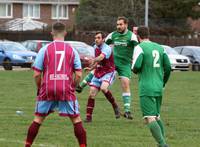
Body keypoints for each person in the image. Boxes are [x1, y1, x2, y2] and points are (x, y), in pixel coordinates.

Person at [24, 22, 87, 147]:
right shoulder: (72, 50)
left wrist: (39, 88)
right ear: (65, 33)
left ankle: (27, 145)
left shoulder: (44, 49)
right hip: (65, 89)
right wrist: (72, 87)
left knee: (38, 119)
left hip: (48, 89)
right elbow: (79, 75)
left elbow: (36, 74)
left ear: (51, 33)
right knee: (76, 119)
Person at [131, 26, 171, 147]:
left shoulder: (139, 47)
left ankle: (163, 145)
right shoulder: (160, 48)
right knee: (157, 116)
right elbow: (168, 67)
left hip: (146, 87)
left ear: (138, 36)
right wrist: (163, 82)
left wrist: (134, 69)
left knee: (149, 118)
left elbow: (136, 66)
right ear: (148, 35)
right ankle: (161, 144)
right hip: (158, 86)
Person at [105, 16, 138, 119]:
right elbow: (103, 46)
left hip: (125, 65)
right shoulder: (113, 35)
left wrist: (135, 60)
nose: (118, 26)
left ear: (126, 25)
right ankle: (82, 85)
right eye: (117, 24)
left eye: (121, 24)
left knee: (125, 84)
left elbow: (138, 48)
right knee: (100, 79)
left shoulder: (132, 36)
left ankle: (127, 111)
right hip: (113, 64)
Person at [84, 31, 120, 122]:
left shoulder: (107, 48)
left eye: (98, 38)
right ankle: (88, 118)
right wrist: (91, 68)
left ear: (103, 39)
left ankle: (115, 105)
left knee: (104, 88)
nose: (96, 39)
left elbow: (100, 58)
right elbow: (98, 61)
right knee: (92, 93)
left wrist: (92, 60)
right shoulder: (95, 47)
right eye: (95, 38)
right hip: (98, 71)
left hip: (108, 71)